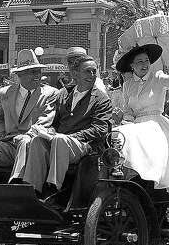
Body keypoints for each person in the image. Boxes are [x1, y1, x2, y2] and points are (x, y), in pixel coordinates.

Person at [109, 41, 169, 196]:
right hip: (136, 125)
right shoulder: (128, 85)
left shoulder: (158, 77)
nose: (144, 64)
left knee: (128, 133)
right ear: (132, 65)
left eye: (146, 61)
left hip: (156, 125)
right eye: (140, 62)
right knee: (116, 133)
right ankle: (121, 174)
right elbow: (129, 112)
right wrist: (121, 117)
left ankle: (141, 175)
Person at [18, 55, 111, 197]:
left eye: (94, 71)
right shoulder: (63, 93)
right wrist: (47, 131)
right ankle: (32, 189)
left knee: (60, 140)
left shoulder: (101, 99)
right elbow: (55, 122)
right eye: (87, 71)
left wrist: (69, 137)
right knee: (37, 141)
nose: (92, 75)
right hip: (60, 143)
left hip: (85, 146)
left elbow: (100, 129)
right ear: (75, 74)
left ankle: (53, 189)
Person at [0, 49, 57, 186]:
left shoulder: (50, 93)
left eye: (38, 71)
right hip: (8, 144)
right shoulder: (4, 93)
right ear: (19, 75)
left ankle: (17, 182)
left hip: (32, 145)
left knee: (24, 141)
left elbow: (45, 120)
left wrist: (28, 134)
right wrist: (1, 134)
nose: (37, 75)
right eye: (31, 72)